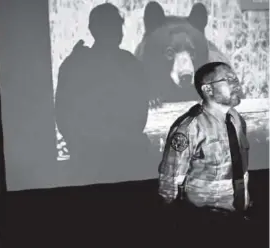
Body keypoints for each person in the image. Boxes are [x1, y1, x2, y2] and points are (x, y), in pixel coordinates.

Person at [55, 3, 155, 181]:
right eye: (114, 26)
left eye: (118, 26)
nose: (119, 32)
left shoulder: (74, 64)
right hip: (119, 159)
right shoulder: (131, 64)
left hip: (92, 161)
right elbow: (140, 116)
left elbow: (63, 117)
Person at [158, 62, 253, 248]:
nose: (237, 83)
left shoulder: (236, 119)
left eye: (236, 78)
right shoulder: (189, 128)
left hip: (238, 216)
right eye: (229, 80)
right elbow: (170, 181)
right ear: (208, 89)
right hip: (203, 224)